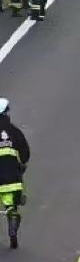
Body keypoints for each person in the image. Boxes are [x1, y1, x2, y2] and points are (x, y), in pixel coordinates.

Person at [0, 98, 30, 249]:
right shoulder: (14, 131)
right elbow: (25, 152)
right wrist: (22, 164)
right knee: (11, 204)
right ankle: (12, 218)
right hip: (12, 177)